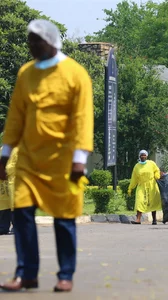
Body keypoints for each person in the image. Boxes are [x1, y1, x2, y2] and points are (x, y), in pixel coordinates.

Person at [0, 19, 94, 292]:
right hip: (29, 159)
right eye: (29, 42)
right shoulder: (25, 73)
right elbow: (16, 116)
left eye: (35, 42)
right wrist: (5, 153)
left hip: (63, 160)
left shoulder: (75, 74)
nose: (31, 47)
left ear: (51, 42)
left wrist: (80, 158)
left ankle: (66, 274)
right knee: (23, 214)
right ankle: (25, 273)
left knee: (64, 218)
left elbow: (82, 119)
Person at [128, 150, 162, 225]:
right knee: (139, 201)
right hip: (141, 185)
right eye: (141, 155)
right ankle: (138, 219)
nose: (143, 156)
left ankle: (154, 219)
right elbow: (134, 178)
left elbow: (157, 170)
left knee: (153, 202)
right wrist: (130, 187)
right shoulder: (137, 166)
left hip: (151, 185)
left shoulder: (151, 163)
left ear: (147, 156)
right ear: (139, 156)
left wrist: (157, 175)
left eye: (144, 155)